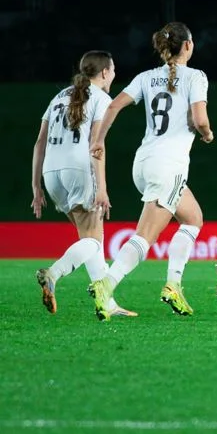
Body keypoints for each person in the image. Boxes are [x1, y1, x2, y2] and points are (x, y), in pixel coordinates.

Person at [88, 21, 213, 318]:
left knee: (193, 218)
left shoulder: (146, 77)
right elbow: (200, 118)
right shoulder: (196, 77)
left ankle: (174, 284)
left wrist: (98, 139)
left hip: (143, 163)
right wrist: (207, 134)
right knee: (145, 236)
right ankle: (107, 282)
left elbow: (114, 105)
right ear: (188, 46)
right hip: (168, 166)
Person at [30, 50, 136, 320]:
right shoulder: (101, 98)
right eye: (112, 70)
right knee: (92, 239)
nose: (114, 74)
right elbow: (96, 146)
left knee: (91, 239)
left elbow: (39, 142)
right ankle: (54, 274)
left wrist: (37, 187)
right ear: (103, 72)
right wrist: (101, 187)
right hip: (79, 169)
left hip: (51, 172)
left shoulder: (58, 96)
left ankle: (107, 303)